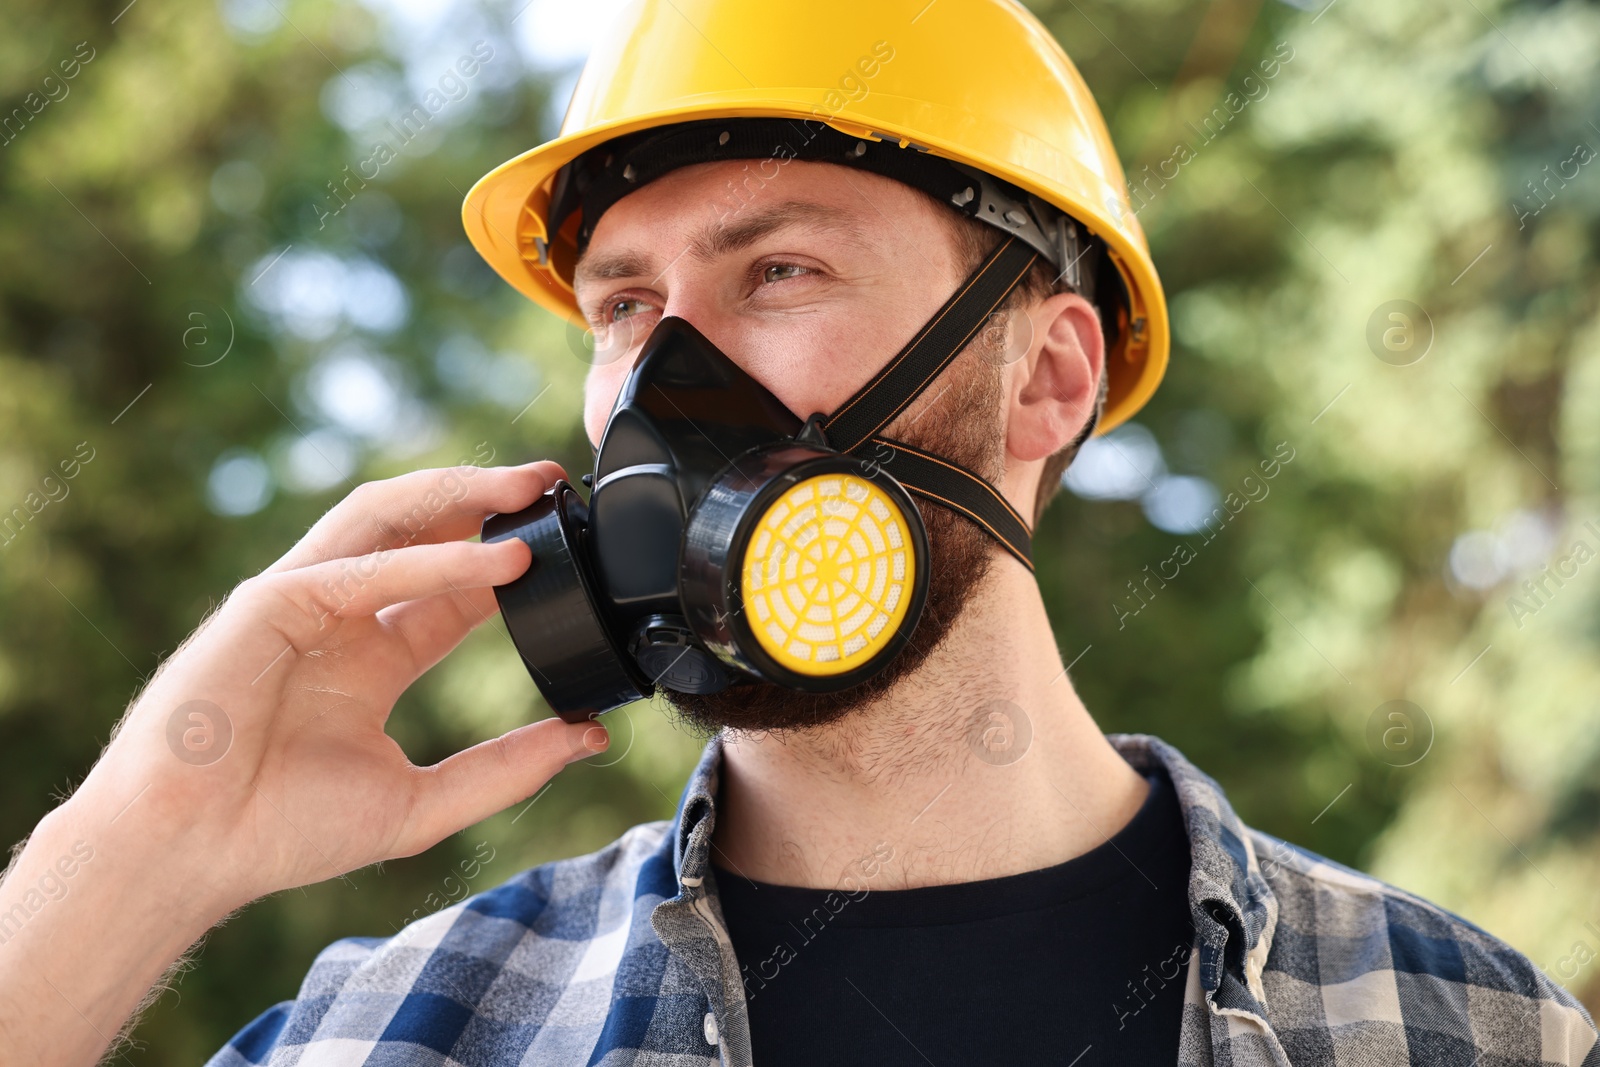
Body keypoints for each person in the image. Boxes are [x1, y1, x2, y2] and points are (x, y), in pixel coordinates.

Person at [2, 1, 1595, 1064]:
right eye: (625, 307)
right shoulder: (418, 1028)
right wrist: (145, 848)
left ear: (1048, 375)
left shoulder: (1454, 1024)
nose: (659, 385)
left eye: (779, 273)